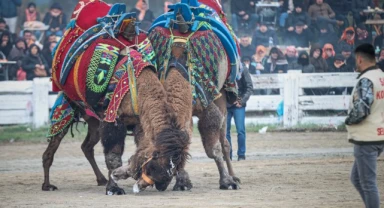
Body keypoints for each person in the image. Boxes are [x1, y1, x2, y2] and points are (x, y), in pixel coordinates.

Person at [346, 43, 384, 208]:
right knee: (357, 179)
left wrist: (348, 120)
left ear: (359, 59)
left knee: (368, 184)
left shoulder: (366, 79)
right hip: (379, 133)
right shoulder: (380, 76)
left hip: (367, 137)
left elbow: (362, 108)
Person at [226, 61, 253, 161]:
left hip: (238, 104)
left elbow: (249, 87)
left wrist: (241, 101)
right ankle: (228, 155)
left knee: (240, 130)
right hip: (226, 104)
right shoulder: (224, 68)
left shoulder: (243, 69)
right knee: (225, 132)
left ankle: (241, 154)